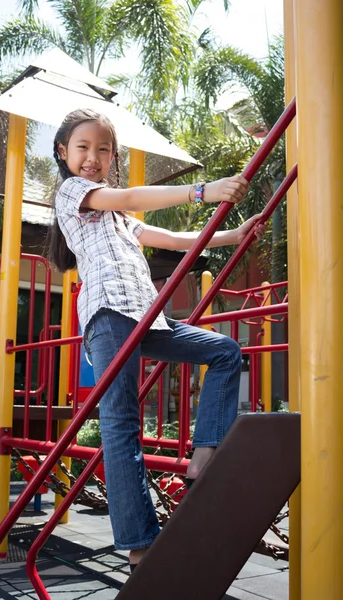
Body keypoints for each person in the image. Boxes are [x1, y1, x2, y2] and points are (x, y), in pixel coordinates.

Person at [48, 108, 266, 571]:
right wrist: (204, 191)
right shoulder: (73, 194)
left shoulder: (119, 218)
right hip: (109, 315)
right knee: (122, 424)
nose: (93, 157)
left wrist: (234, 234)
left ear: (112, 156)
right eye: (83, 148)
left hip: (147, 318)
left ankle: (204, 454)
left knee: (225, 351)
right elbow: (127, 194)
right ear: (64, 153)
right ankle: (141, 546)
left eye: (103, 150)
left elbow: (170, 238)